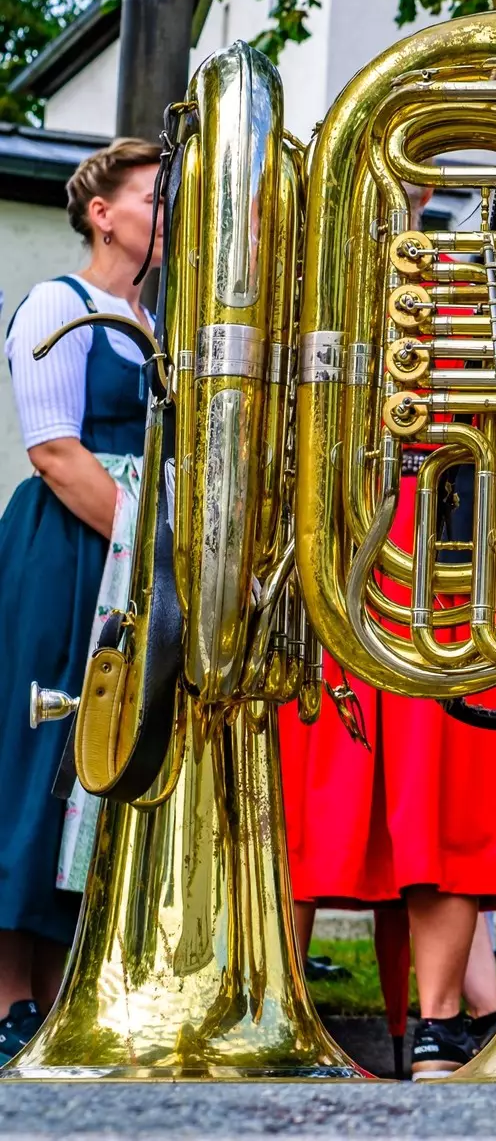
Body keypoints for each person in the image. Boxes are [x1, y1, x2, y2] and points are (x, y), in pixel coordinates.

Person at [277, 181, 496, 1079]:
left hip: (409, 545)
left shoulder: (322, 281)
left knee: (427, 789)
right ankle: (415, 1025)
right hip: (387, 544)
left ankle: (386, 1022)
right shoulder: (437, 284)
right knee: (336, 795)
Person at [0, 138, 159, 1064]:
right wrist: (146, 543)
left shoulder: (163, 319)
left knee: (96, 770)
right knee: (36, 759)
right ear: (102, 212)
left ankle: (63, 996)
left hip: (136, 558)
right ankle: (8, 998)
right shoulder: (56, 306)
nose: (168, 213)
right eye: (152, 196)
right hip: (66, 548)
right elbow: (55, 451)